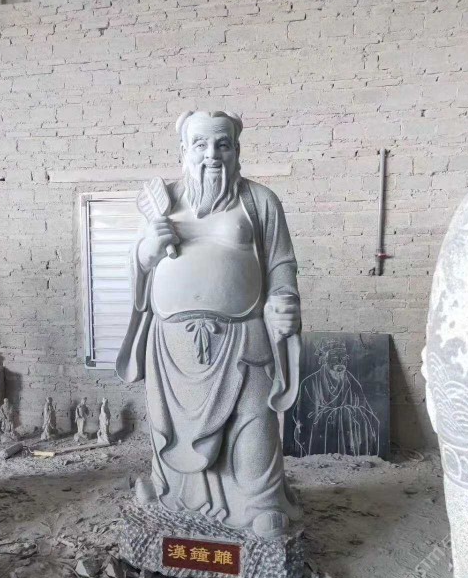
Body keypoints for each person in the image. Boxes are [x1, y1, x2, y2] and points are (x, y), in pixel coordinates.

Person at [116, 110, 302, 539]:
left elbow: (281, 264)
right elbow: (137, 265)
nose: (212, 155)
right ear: (184, 151)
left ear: (236, 150)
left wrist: (284, 300)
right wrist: (147, 250)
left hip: (243, 339)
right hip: (170, 344)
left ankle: (260, 502)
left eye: (222, 144)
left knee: (253, 421)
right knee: (169, 428)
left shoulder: (260, 201)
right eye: (200, 144)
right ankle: (169, 493)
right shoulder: (162, 202)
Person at [293, 339, 379, 457]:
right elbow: (306, 416)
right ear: (325, 360)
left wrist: (351, 413)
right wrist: (341, 413)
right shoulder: (310, 383)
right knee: (345, 414)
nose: (340, 361)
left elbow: (366, 411)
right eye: (334, 357)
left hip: (349, 430)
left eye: (343, 357)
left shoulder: (351, 382)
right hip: (320, 432)